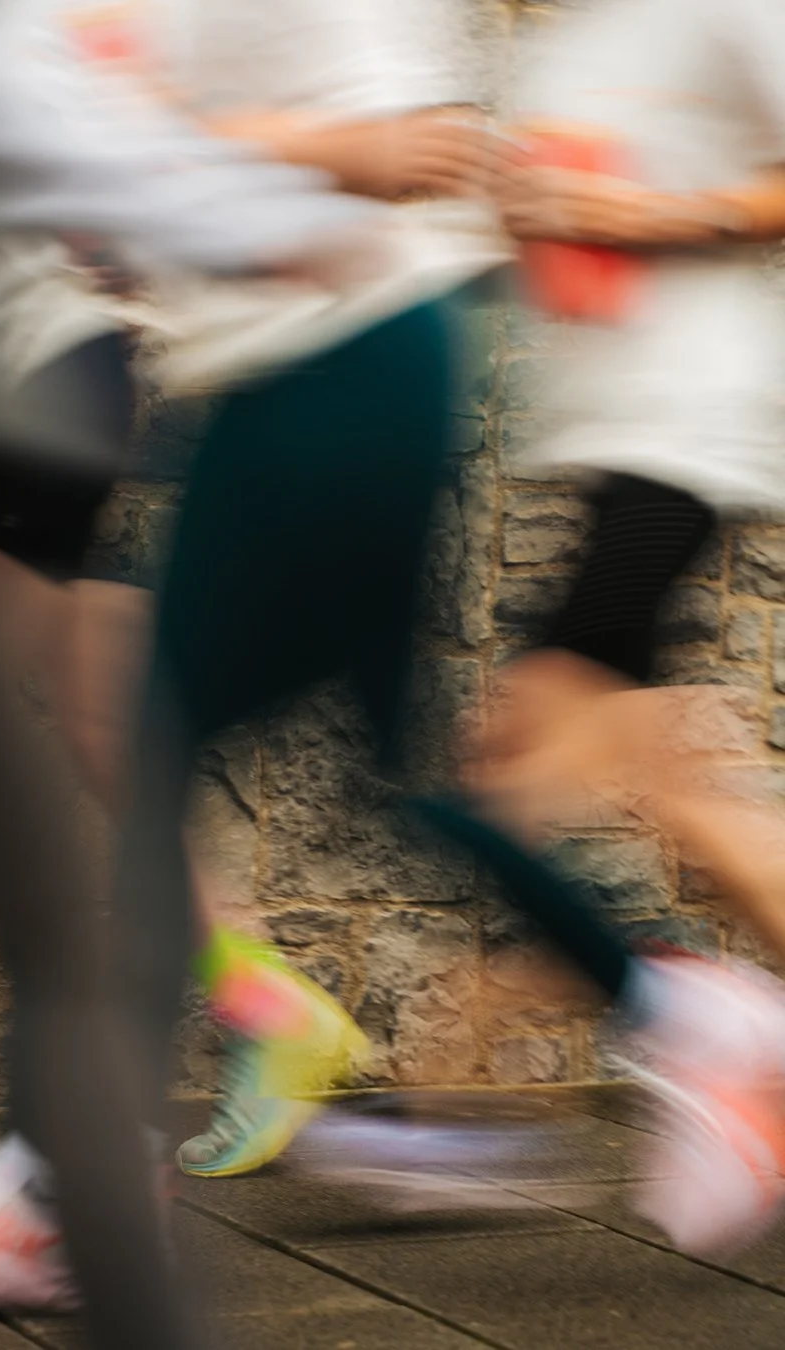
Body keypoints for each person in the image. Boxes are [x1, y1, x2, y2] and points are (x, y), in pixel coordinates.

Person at [0, 1, 383, 1344]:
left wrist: (247, 216)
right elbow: (43, 124)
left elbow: (38, 114)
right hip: (8, 381)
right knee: (100, 732)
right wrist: (253, 224)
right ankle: (258, 1000)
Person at [472, 0, 785, 1256]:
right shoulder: (557, 42)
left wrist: (645, 219)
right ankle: (449, 1103)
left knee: (506, 776)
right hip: (610, 448)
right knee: (685, 797)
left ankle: (446, 1100)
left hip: (685, 437)